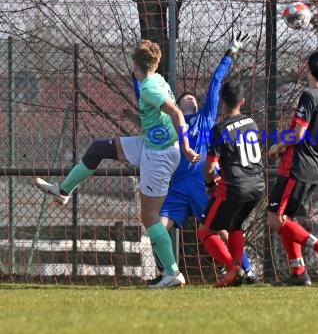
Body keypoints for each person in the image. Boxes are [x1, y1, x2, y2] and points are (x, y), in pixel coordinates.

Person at [35, 39, 201, 288]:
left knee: (149, 216)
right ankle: (63, 191)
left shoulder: (148, 88)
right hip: (151, 144)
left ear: (135, 65)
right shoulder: (158, 81)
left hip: (161, 154)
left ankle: (172, 273)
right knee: (99, 148)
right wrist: (134, 117)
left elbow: (177, 115)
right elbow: (155, 121)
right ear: (154, 64)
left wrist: (187, 146)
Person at [130, 32, 256, 286]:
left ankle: (247, 270)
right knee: (154, 224)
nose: (190, 97)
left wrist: (231, 53)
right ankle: (168, 273)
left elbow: (215, 83)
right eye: (184, 96)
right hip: (176, 188)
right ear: (176, 103)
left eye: (193, 98)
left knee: (220, 228)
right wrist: (138, 74)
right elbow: (142, 95)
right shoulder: (168, 123)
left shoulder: (205, 119)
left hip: (200, 184)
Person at [266, 51, 318, 286]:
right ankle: (299, 273)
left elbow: (297, 134)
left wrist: (278, 145)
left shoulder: (309, 95)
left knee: (274, 220)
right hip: (314, 166)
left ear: (307, 69)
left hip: (296, 166)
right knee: (285, 219)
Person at [197, 80, 265, 287]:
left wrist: (210, 185)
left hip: (235, 188)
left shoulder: (220, 129)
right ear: (242, 101)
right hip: (258, 187)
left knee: (205, 230)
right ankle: (238, 267)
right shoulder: (251, 122)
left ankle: (233, 268)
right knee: (235, 225)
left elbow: (209, 168)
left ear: (222, 102)